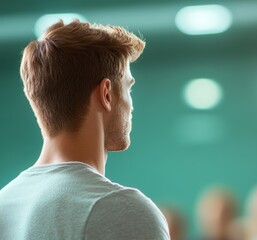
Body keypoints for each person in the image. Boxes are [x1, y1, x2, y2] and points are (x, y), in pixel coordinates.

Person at [0, 20, 170, 239]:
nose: (131, 105)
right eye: (129, 87)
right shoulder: (121, 212)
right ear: (106, 94)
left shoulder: (4, 204)